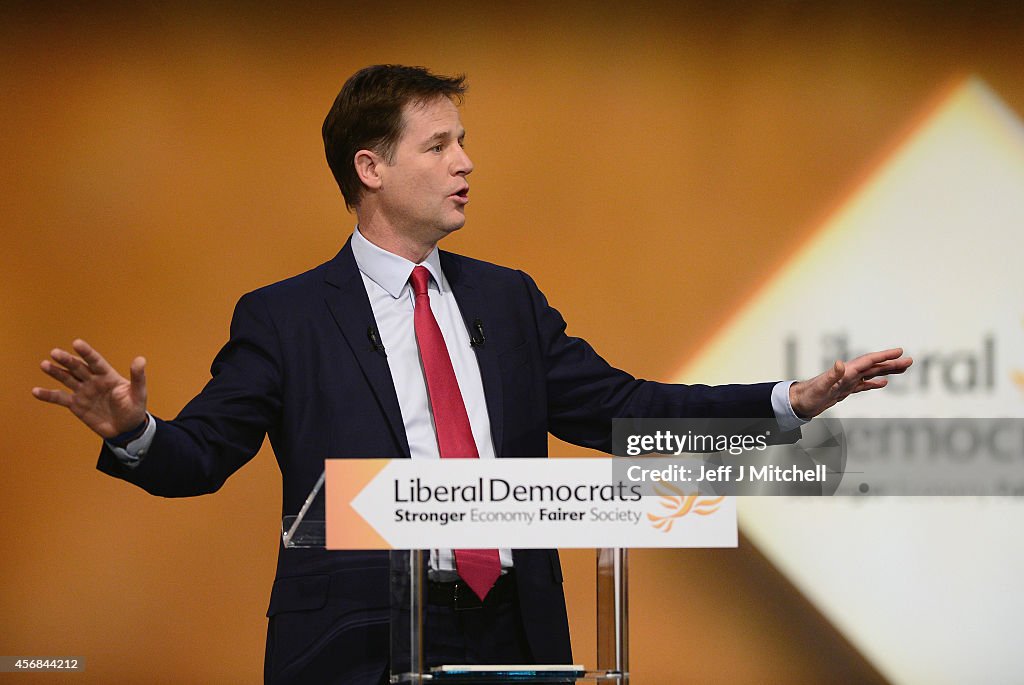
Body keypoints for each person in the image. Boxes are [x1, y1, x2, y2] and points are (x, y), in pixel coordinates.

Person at [32, 64, 911, 684]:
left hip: (515, 626)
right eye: (440, 145)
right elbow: (203, 457)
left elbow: (624, 410)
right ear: (369, 168)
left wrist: (786, 402)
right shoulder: (284, 316)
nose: (466, 163)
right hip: (358, 639)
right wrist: (134, 433)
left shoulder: (510, 298)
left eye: (465, 142)